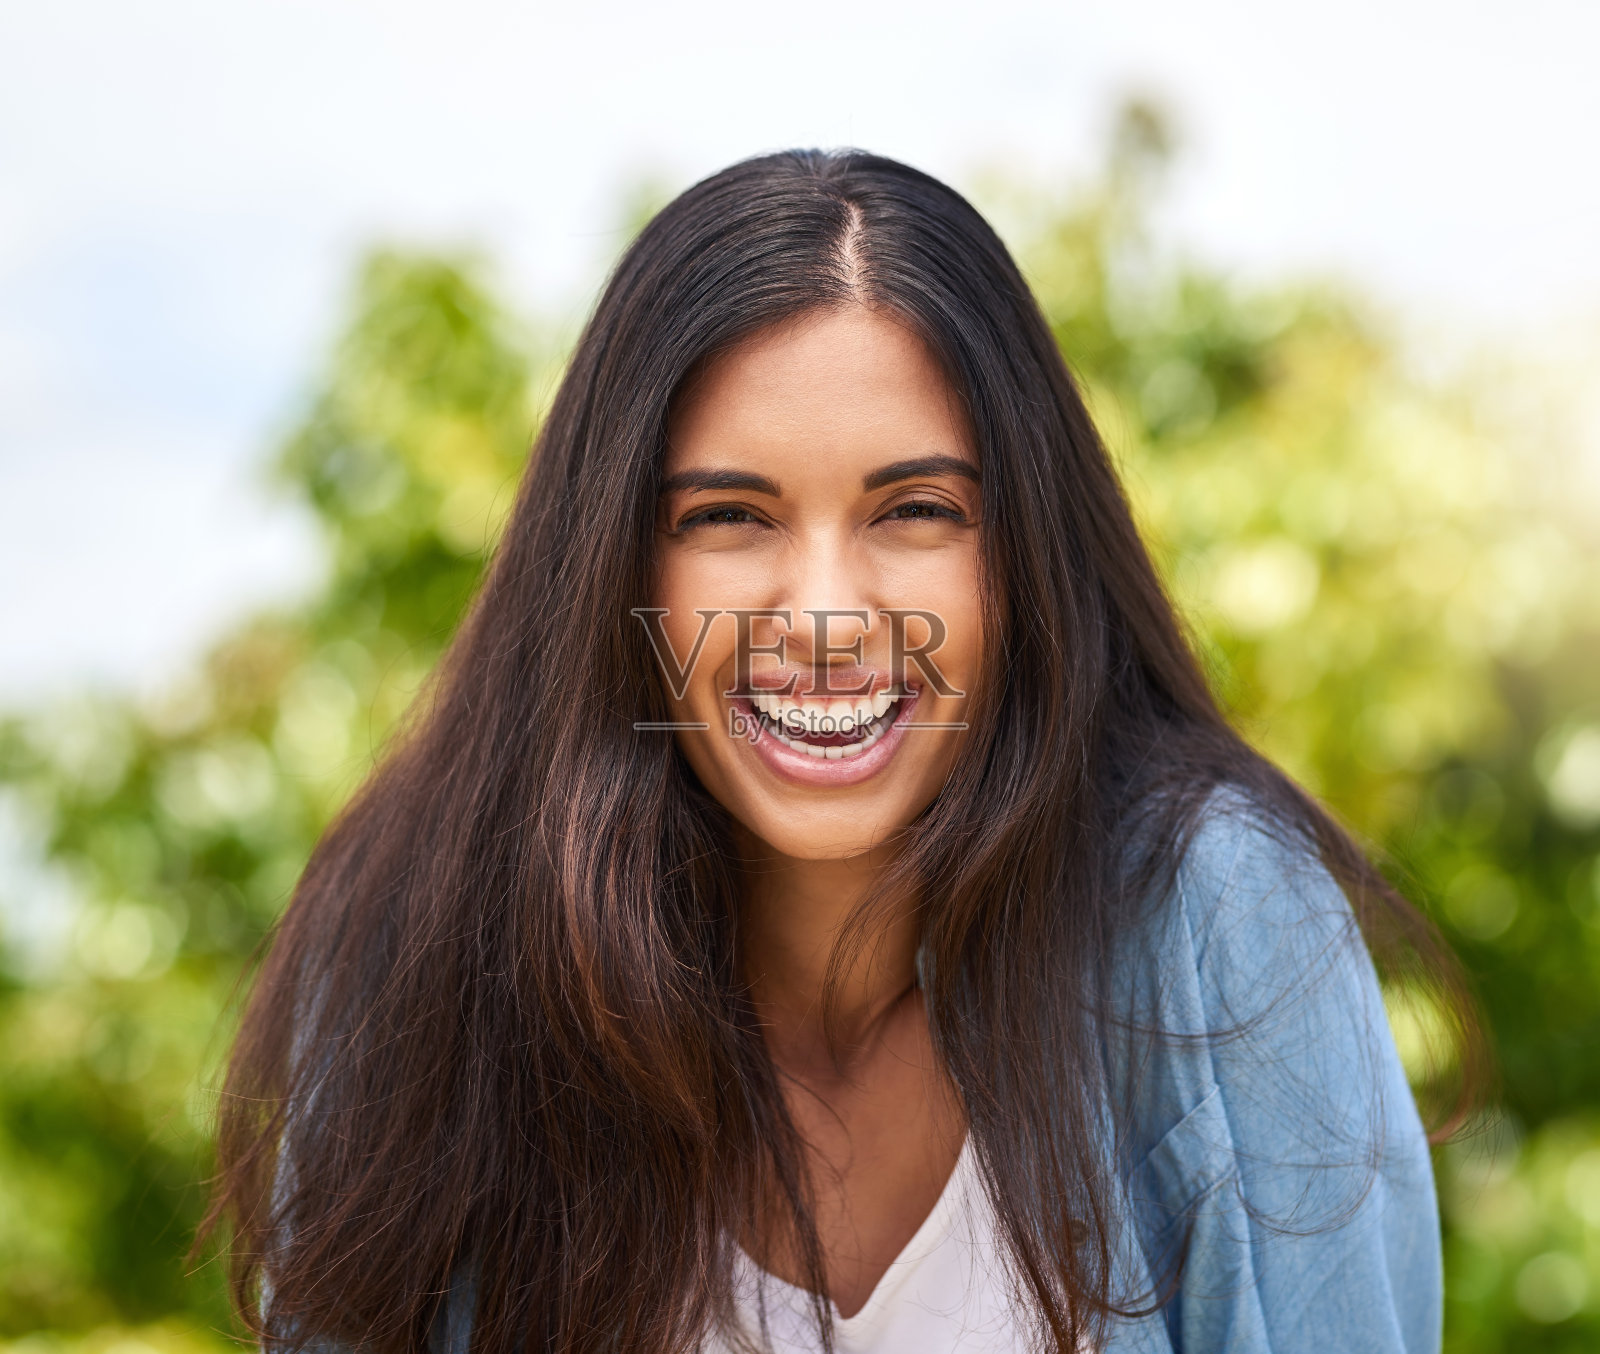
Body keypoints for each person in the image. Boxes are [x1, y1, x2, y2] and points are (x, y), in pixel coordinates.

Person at [202, 149, 1474, 1354]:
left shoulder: (1216, 915)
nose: (821, 620)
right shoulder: (423, 938)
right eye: (728, 515)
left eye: (915, 511)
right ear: (614, 565)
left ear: (1025, 559)